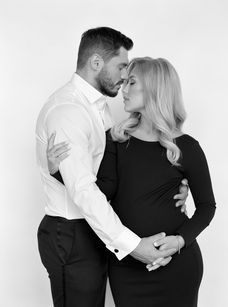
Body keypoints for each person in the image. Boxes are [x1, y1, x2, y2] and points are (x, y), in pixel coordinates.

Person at [36, 27, 188, 307]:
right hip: (72, 234)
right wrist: (133, 246)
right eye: (120, 67)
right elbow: (83, 188)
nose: (124, 77)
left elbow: (111, 172)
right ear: (96, 63)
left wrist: (175, 179)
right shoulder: (68, 110)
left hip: (96, 229)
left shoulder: (99, 107)